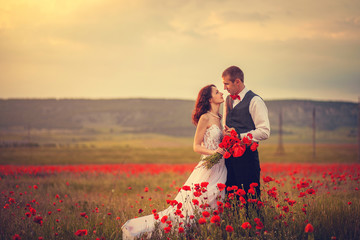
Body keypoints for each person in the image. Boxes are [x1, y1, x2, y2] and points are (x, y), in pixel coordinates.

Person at [121, 85, 226, 239]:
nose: (221, 93)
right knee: (194, 205)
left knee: (216, 201)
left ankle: (208, 233)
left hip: (221, 166)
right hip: (209, 166)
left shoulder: (220, 118)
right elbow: (196, 146)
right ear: (210, 99)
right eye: (217, 92)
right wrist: (214, 153)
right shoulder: (205, 117)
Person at [222, 66, 270, 199]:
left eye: (226, 84)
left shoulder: (255, 101)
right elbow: (226, 126)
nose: (224, 88)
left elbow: (264, 132)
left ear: (237, 81)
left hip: (247, 158)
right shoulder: (228, 100)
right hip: (229, 159)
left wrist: (238, 136)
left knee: (252, 200)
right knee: (231, 200)